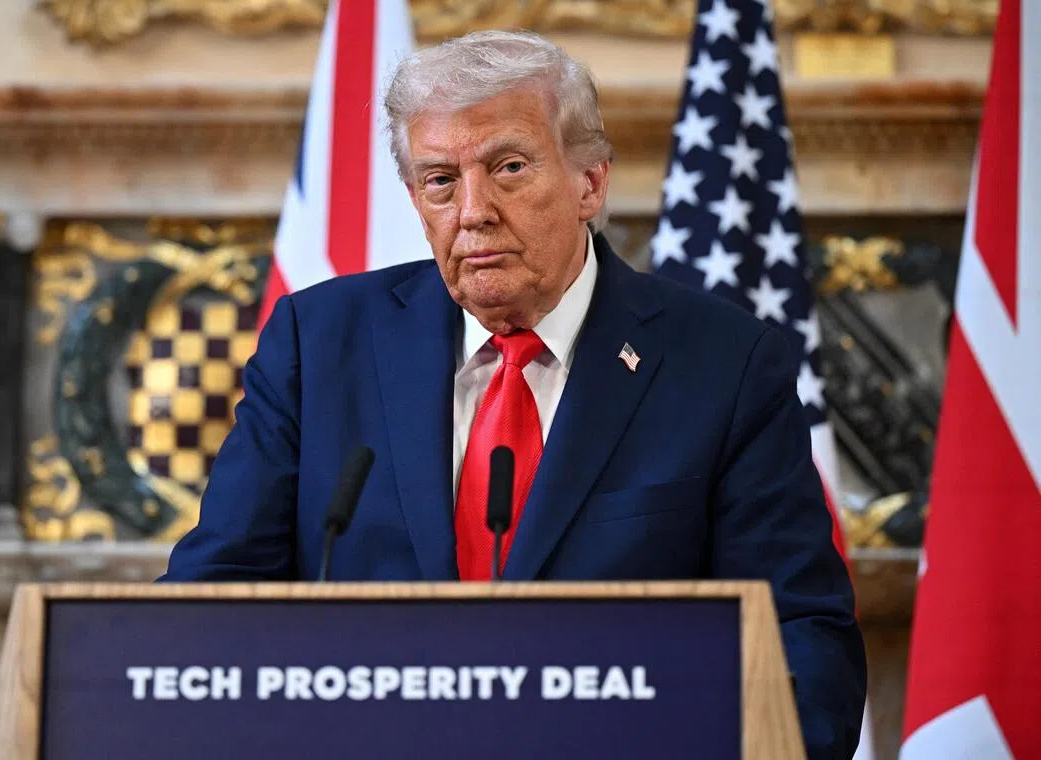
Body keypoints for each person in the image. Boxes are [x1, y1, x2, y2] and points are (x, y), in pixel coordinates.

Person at [162, 30, 866, 758]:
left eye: (509, 167)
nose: (474, 210)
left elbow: (799, 637)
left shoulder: (723, 361)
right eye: (441, 180)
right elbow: (216, 594)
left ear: (589, 181)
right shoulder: (319, 342)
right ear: (415, 198)